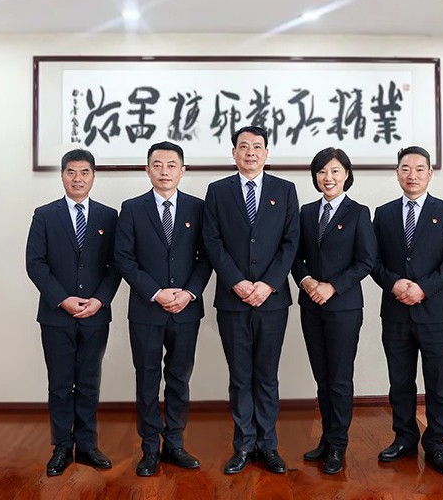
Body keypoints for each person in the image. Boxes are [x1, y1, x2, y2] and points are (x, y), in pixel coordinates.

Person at [202, 125, 299, 475]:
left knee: (267, 376)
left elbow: (291, 242)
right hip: (233, 300)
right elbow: (212, 241)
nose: (250, 152)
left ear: (266, 153)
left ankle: (268, 446)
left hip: (272, 301)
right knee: (240, 376)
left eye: (257, 146)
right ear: (234, 153)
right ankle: (244, 445)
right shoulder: (218, 191)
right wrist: (238, 282)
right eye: (243, 146)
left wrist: (268, 284)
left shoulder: (285, 190)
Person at [114, 141, 212, 477]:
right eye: (157, 165)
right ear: (147, 170)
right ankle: (149, 449)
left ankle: (174, 444)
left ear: (183, 171)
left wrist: (189, 293)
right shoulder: (132, 208)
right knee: (147, 378)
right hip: (146, 309)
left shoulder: (198, 208)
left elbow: (206, 257)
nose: (164, 171)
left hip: (186, 309)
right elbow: (123, 258)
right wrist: (155, 293)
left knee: (179, 378)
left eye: (172, 165)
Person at [26, 149, 121, 477]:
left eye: (84, 172)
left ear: (93, 176)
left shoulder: (109, 216)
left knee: (89, 381)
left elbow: (116, 265)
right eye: (71, 172)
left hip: (96, 314)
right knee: (60, 382)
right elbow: (35, 263)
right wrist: (62, 299)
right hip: (56, 315)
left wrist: (100, 300)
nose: (77, 179)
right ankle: (62, 446)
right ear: (62, 175)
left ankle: (88, 445)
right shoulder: (44, 215)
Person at [371, 146, 443, 475]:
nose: (412, 175)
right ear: (397, 173)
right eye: (405, 169)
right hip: (395, 311)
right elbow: (373, 260)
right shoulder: (383, 214)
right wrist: (394, 283)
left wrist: (423, 288)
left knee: (439, 382)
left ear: (429, 173)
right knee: (400, 381)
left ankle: (436, 444)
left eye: (419, 169)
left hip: (434, 312)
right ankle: (405, 438)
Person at [291, 147, 376, 474]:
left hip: (344, 308)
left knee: (339, 378)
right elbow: (296, 257)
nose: (328, 177)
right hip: (311, 306)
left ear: (346, 175)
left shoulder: (359, 213)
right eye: (322, 171)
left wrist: (333, 286)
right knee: (322, 377)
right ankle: (326, 440)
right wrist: (307, 281)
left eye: (335, 171)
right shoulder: (306, 212)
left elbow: (366, 261)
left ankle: (339, 445)